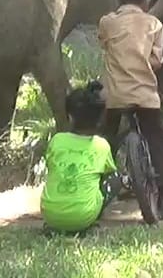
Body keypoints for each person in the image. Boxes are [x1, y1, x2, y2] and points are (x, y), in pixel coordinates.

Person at [98, 0, 163, 221]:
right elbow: (157, 61)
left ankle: (95, 191)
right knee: (158, 144)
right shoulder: (154, 24)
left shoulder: (107, 22)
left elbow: (105, 44)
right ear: (147, 1)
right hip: (146, 96)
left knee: (106, 143)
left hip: (115, 97)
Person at [40, 81, 117, 233]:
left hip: (50, 215)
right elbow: (109, 173)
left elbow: (51, 165)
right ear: (101, 119)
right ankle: (91, 214)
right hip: (84, 217)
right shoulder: (101, 145)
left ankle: (60, 213)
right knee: (116, 178)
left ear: (69, 117)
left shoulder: (57, 140)